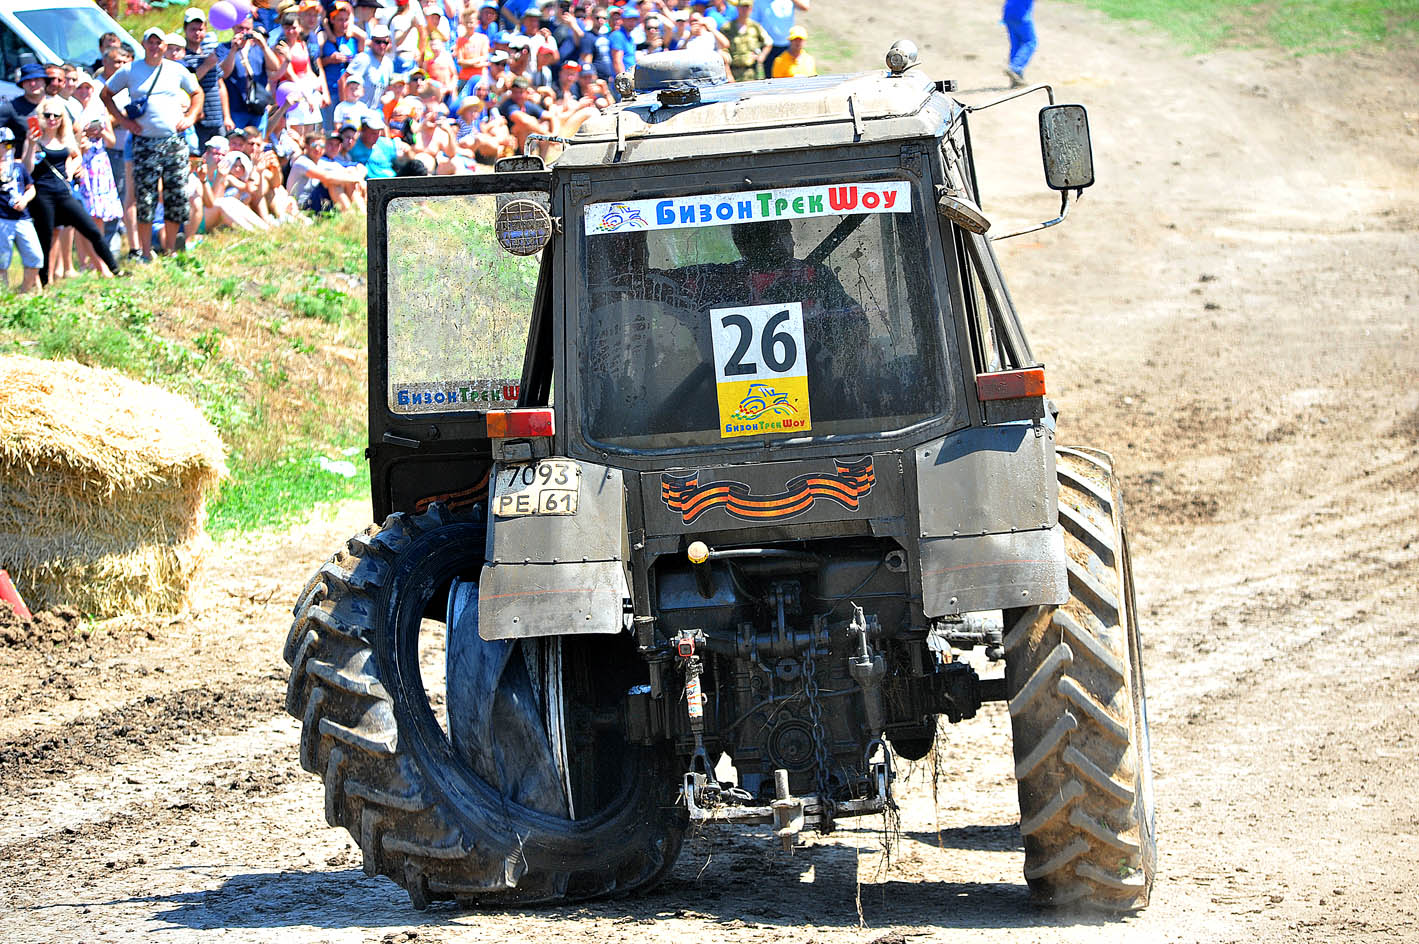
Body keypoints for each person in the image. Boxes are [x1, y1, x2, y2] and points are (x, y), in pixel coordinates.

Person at [101, 27, 203, 261]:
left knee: (175, 195)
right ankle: (145, 253)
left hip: (173, 141)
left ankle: (170, 250)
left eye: (159, 43)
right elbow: (106, 94)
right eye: (151, 42)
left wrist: (191, 117)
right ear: (144, 44)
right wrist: (124, 121)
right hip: (144, 141)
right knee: (144, 198)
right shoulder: (130, 70)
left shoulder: (176, 70)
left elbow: (197, 93)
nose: (155, 47)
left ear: (165, 46)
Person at [22, 98, 120, 280]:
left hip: (64, 192)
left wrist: (72, 168)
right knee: (46, 238)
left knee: (91, 230)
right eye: (47, 115)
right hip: (43, 194)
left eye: (56, 115)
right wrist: (30, 146)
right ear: (40, 117)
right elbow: (27, 169)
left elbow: (76, 155)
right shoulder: (35, 139)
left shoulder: (64, 137)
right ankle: (43, 281)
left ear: (62, 118)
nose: (52, 119)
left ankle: (115, 269)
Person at [181, 8, 230, 151]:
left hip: (217, 118)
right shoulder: (182, 56)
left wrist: (226, 116)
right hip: (198, 120)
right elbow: (187, 84)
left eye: (200, 29)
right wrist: (207, 65)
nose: (197, 33)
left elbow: (220, 86)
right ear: (185, 29)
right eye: (193, 29)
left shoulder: (209, 53)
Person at [0, 128, 43, 293]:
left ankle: (24, 293)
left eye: (10, 145)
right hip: (2, 219)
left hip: (22, 218)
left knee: (36, 258)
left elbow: (31, 188)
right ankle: (4, 297)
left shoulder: (18, 167)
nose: (6, 149)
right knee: (2, 262)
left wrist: (24, 200)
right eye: (3, 145)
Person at [219, 16, 279, 131]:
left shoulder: (258, 48)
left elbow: (275, 67)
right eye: (240, 28)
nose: (244, 32)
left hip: (258, 107)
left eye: (248, 29)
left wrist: (264, 46)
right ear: (233, 28)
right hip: (236, 109)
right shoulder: (224, 48)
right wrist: (233, 50)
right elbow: (223, 74)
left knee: (257, 144)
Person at [345, 23, 398, 110]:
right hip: (356, 111)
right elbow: (344, 80)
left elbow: (386, 89)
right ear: (372, 41)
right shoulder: (363, 59)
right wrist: (345, 107)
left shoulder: (389, 64)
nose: (382, 46)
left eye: (385, 42)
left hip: (374, 112)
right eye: (378, 42)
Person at [751, 0, 808, 77]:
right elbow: (753, 23)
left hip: (788, 45)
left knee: (790, 75)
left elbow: (805, 7)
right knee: (770, 78)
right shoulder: (759, 2)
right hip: (769, 47)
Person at [0, 64, 49, 152]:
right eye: (28, 80)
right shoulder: (11, 107)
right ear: (22, 84)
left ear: (45, 82)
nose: (33, 84)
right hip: (22, 162)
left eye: (37, 79)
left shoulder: (55, 106)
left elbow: (71, 131)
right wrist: (6, 151)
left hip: (54, 161)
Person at [724, 0, 770, 81]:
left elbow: (768, 42)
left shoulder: (755, 26)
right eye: (742, 7)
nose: (744, 10)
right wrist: (728, 73)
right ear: (737, 8)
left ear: (751, 9)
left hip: (752, 72)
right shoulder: (727, 28)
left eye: (747, 7)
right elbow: (722, 49)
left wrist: (761, 57)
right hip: (734, 71)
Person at [348, 111, 401, 177]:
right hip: (367, 184)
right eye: (373, 132)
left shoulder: (387, 143)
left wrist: (408, 153)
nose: (376, 136)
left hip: (391, 182)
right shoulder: (351, 145)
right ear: (363, 129)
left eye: (378, 132)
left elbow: (402, 160)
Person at [1002, 0, 1036, 88]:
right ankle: (1015, 68)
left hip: (1008, 12)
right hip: (1021, 14)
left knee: (1016, 45)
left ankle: (1016, 80)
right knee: (1030, 42)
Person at [608, 4, 639, 76]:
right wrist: (623, 79)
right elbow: (617, 60)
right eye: (629, 19)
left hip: (631, 78)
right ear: (622, 20)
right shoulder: (617, 35)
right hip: (624, 81)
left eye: (634, 20)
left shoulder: (630, 37)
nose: (632, 23)